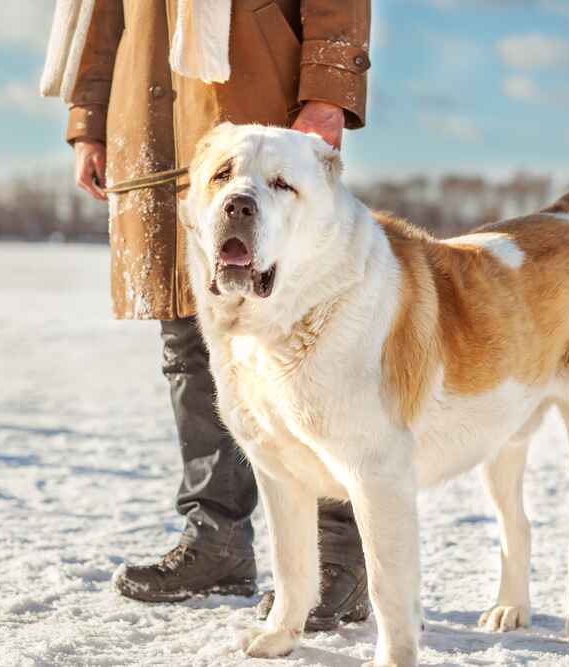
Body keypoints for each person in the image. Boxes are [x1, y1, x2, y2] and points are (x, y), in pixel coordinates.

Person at [42, 0, 372, 630]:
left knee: (308, 341)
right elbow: (101, 14)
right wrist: (90, 120)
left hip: (255, 98)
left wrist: (328, 90)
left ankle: (340, 560)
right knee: (191, 332)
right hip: (150, 109)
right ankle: (216, 540)